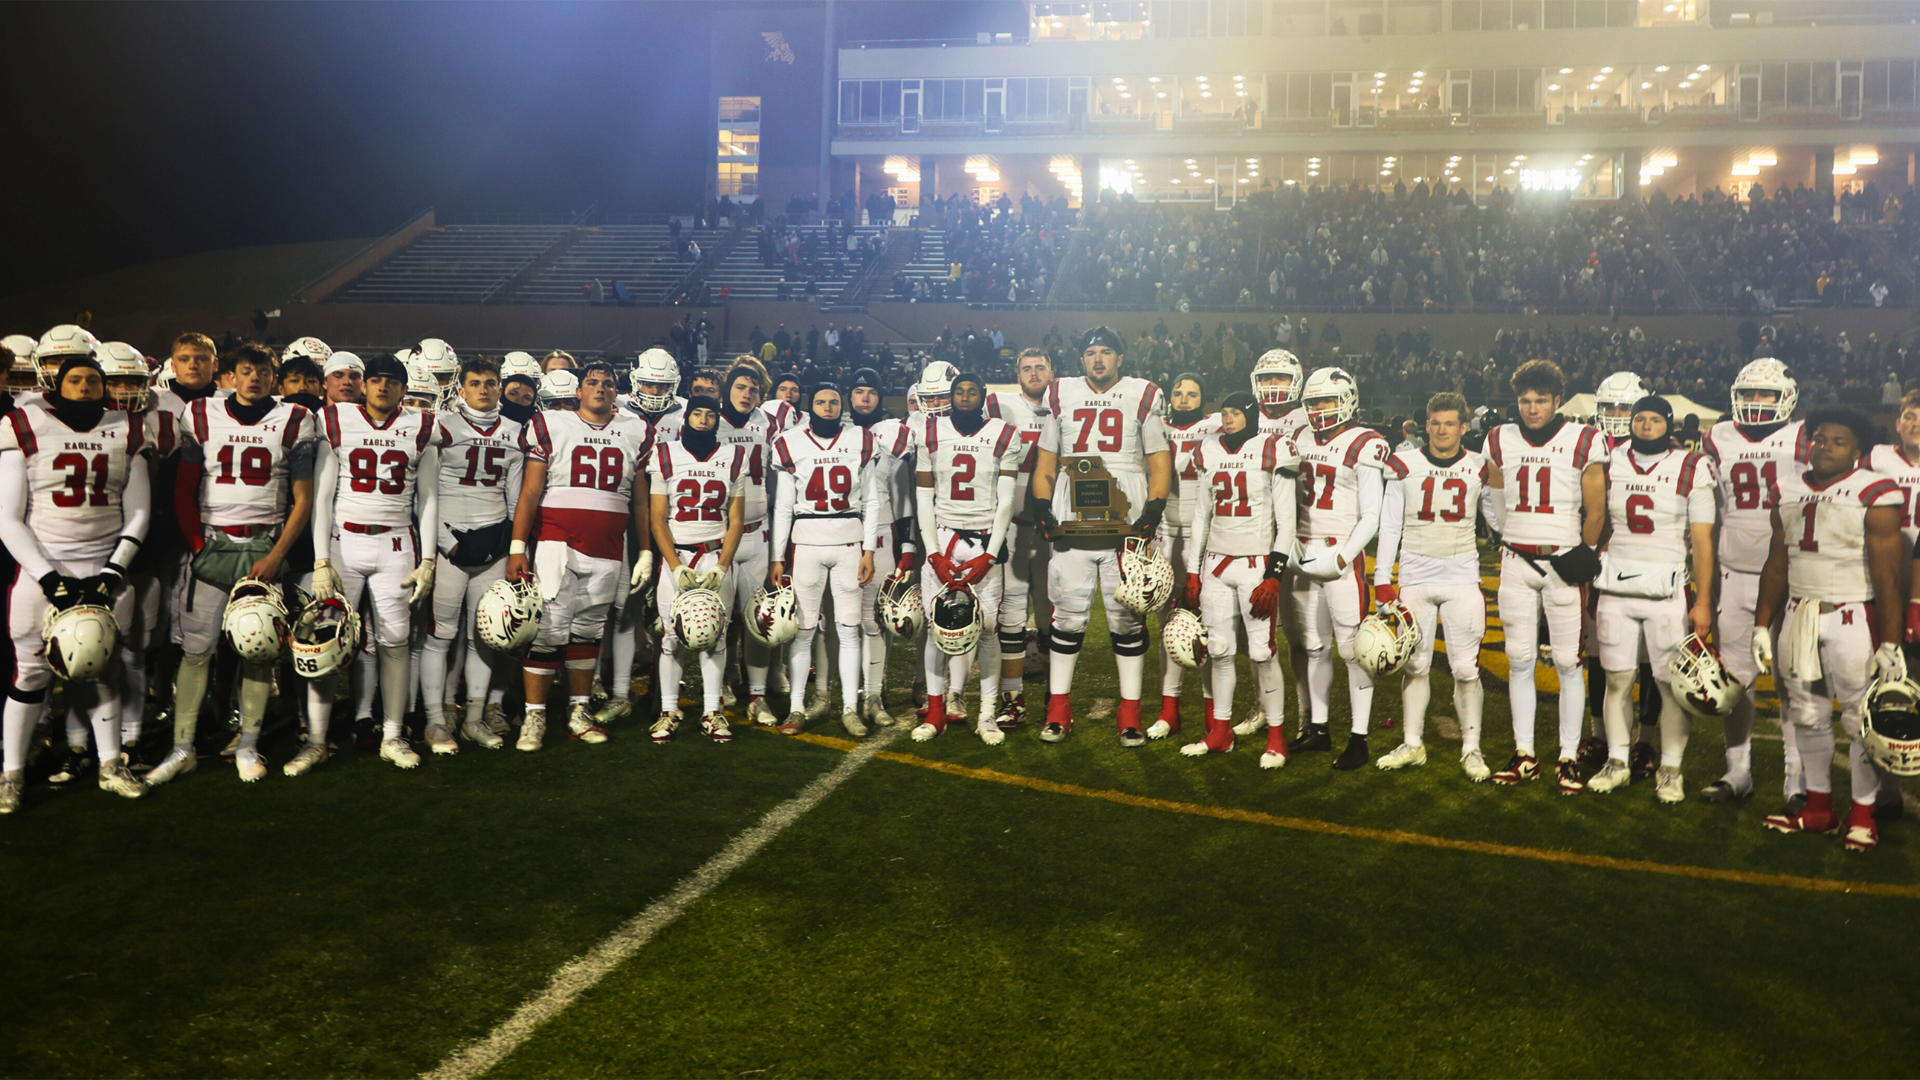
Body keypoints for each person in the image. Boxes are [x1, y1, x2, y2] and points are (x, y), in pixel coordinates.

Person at [149, 343, 315, 783]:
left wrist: (277, 555)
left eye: (262, 372)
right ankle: (182, 746)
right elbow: (184, 490)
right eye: (246, 371)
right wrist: (199, 544)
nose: (254, 379)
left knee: (258, 651)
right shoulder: (201, 414)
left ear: (273, 378)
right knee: (197, 650)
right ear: (231, 376)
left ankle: (248, 744)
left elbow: (303, 501)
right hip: (213, 541)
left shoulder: (296, 418)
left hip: (264, 544)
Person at [0, 353, 155, 812]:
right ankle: (11, 772)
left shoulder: (126, 428)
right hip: (41, 568)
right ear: (57, 383)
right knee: (29, 673)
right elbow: (8, 518)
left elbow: (140, 511)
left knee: (105, 669)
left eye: (92, 380)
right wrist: (49, 579)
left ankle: (111, 764)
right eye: (75, 380)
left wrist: (113, 571)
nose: (84, 387)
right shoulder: (25, 424)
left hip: (104, 568)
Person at [1754, 409, 1905, 852]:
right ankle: (1819, 808)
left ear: (1857, 452)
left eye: (1837, 442)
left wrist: (1891, 640)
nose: (1824, 447)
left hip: (1852, 615)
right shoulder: (1788, 488)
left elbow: (1888, 575)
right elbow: (1777, 563)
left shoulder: (1874, 491)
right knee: (1806, 713)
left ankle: (1862, 814)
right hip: (1800, 614)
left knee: (1860, 720)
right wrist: (1763, 623)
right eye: (1819, 439)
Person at [1029, 326, 1173, 746]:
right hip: (1071, 517)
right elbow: (1046, 462)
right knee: (1067, 617)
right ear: (1081, 359)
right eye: (1091, 352)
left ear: (1120, 358)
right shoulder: (1060, 393)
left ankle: (1130, 715)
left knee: (1128, 620)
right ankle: (1059, 710)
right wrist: (1041, 504)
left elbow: (1159, 461)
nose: (1097, 359)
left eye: (1106, 352)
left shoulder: (1143, 393)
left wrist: (1154, 509)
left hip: (1126, 523)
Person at [303, 354, 439, 771]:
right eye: (375, 380)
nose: (382, 387)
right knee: (324, 643)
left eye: (391, 381)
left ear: (403, 388)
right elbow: (323, 495)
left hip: (396, 545)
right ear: (366, 385)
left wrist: (429, 559)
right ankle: (316, 740)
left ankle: (394, 735)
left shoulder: (422, 425)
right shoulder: (336, 418)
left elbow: (429, 500)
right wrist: (321, 559)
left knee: (395, 643)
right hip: (343, 542)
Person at [508, 362, 654, 750]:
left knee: (588, 632)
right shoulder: (551, 423)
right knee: (549, 630)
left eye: (608, 384)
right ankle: (534, 715)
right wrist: (518, 547)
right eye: (593, 382)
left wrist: (645, 549)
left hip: (609, 548)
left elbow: (640, 499)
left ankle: (578, 709)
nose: (601, 389)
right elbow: (530, 492)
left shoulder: (636, 430)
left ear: (617, 391)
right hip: (558, 543)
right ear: (579, 390)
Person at [1582, 396, 1716, 802]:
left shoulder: (1692, 465)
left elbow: (1703, 540)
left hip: (1668, 585)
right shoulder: (1610, 460)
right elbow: (1594, 516)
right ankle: (1618, 760)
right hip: (1616, 582)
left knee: (1669, 683)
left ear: (1668, 424)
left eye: (1654, 419)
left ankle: (1671, 767)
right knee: (1617, 678)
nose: (1644, 425)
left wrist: (1704, 600)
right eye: (1639, 418)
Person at [1484, 360, 1605, 791]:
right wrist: (1513, 537)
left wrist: (1584, 553)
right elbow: (1497, 502)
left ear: (1558, 400)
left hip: (1562, 563)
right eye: (1525, 401)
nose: (1532, 409)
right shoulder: (1498, 438)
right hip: (1517, 561)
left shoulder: (1584, 439)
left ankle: (1568, 756)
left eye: (1540, 401)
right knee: (1519, 660)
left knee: (1570, 663)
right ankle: (1525, 754)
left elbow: (1597, 509)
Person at [1699, 358, 1808, 805]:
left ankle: (1796, 778)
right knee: (1737, 678)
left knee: (1794, 680)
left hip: (1794, 573)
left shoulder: (1805, 435)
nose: (1757, 403)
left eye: (1766, 395)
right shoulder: (1718, 436)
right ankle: (1737, 770)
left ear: (1787, 398)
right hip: (1737, 572)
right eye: (1749, 395)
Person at [1372, 392, 1496, 780]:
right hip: (1414, 574)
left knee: (1464, 668)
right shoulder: (1404, 464)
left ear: (1464, 427)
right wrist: (1382, 579)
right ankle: (1413, 743)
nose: (1442, 430)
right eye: (1435, 423)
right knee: (1416, 662)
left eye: (1450, 424)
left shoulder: (1479, 466)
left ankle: (1471, 749)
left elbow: (1498, 516)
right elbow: (1389, 525)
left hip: (1461, 574)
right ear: (1427, 425)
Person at [1179, 391, 1297, 765]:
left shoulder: (1274, 448)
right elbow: (1201, 516)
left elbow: (1287, 521)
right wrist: (1192, 571)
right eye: (1224, 412)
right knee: (1219, 650)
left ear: (1250, 414)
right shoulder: (1208, 450)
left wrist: (1274, 574)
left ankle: (1277, 736)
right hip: (1216, 563)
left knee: (1262, 651)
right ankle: (1220, 732)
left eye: (1234, 413)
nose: (1227, 419)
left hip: (1256, 563)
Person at [907, 370, 1024, 744]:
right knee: (934, 628)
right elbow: (923, 497)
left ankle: (987, 715)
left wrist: (989, 555)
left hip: (984, 538)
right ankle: (937, 711)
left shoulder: (1004, 434)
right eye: (960, 391)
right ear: (952, 395)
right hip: (942, 535)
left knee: (988, 630)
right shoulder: (929, 432)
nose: (965, 397)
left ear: (983, 397)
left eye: (973, 392)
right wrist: (933, 552)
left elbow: (1006, 500)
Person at [420, 356, 524, 752]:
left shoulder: (515, 431)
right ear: (460, 388)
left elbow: (515, 499)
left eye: (491, 382)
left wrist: (514, 544)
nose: (484, 389)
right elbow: (426, 492)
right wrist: (445, 542)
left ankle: (475, 717)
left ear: (500, 388)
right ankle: (435, 720)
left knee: (488, 634)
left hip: (494, 540)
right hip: (450, 540)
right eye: (476, 382)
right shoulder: (440, 426)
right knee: (440, 634)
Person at [1288, 367, 1390, 770]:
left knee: (1352, 651)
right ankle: (1318, 728)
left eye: (1327, 401)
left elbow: (1372, 514)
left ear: (1347, 400)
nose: (1319, 410)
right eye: (1313, 403)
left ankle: (1359, 738)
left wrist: (1344, 556)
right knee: (1315, 647)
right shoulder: (1298, 437)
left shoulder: (1366, 442)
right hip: (1301, 550)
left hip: (1339, 555)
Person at [769, 382, 884, 736]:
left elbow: (872, 501)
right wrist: (777, 556)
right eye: (821, 402)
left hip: (849, 540)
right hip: (806, 544)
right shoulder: (790, 442)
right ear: (810, 405)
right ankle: (797, 707)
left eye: (834, 402)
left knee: (849, 630)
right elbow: (784, 506)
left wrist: (869, 549)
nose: (828, 407)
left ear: (842, 405)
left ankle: (850, 707)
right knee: (803, 632)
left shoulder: (860, 439)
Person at [648, 395, 747, 742]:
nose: (703, 420)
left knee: (716, 638)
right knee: (670, 639)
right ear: (686, 417)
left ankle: (711, 711)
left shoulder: (734, 455)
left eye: (709, 414)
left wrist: (722, 566)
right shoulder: (665, 454)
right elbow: (657, 519)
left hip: (714, 556)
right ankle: (668, 710)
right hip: (677, 557)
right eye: (697, 414)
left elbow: (736, 520)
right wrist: (674, 567)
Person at [984, 348, 1054, 731]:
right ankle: (1013, 699)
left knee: (1050, 616)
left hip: (1051, 528)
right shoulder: (999, 404)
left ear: (1052, 372)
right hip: (1010, 524)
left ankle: (1054, 698)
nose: (1033, 373)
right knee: (1010, 616)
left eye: (1040, 367)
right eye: (1026, 368)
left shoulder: (1066, 404)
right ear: (1016, 375)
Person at [713, 363, 780, 724]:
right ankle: (721, 683)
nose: (746, 394)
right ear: (728, 388)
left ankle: (757, 694)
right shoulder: (710, 420)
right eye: (740, 386)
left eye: (753, 389)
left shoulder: (769, 422)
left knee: (758, 619)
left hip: (758, 531)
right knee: (719, 617)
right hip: (719, 533)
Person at [1153, 372, 1219, 739]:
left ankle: (1213, 712)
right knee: (1168, 626)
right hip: (1165, 533)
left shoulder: (1213, 427)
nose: (1183, 399)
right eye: (1177, 393)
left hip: (1203, 535)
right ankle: (1169, 710)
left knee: (1206, 627)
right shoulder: (1155, 427)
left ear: (1203, 400)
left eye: (1192, 394)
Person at [851, 365, 916, 729]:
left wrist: (907, 543)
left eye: (871, 392)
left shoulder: (893, 432)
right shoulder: (837, 433)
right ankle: (843, 692)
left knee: (877, 620)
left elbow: (903, 491)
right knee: (842, 622)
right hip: (842, 535)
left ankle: (874, 691)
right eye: (859, 392)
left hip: (882, 536)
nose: (865, 398)